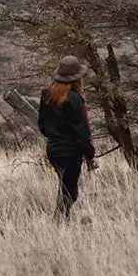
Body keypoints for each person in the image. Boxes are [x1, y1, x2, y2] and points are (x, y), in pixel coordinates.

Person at [38, 56, 97, 221]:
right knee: (71, 193)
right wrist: (90, 155)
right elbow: (83, 133)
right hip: (71, 152)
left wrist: (55, 137)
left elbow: (42, 124)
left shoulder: (46, 94)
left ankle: (63, 223)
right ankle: (59, 224)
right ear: (78, 78)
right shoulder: (75, 99)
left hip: (53, 150)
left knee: (65, 188)